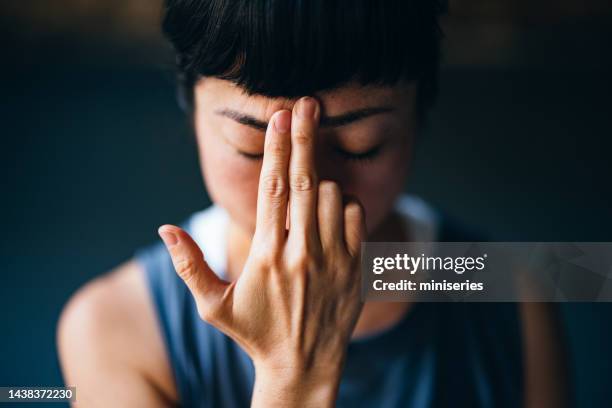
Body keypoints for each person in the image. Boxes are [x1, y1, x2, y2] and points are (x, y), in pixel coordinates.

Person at [56, 0, 570, 406]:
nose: (309, 186)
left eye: (360, 145)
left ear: (418, 117)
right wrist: (292, 377)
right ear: (191, 114)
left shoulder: (511, 287)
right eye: (255, 148)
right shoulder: (112, 326)